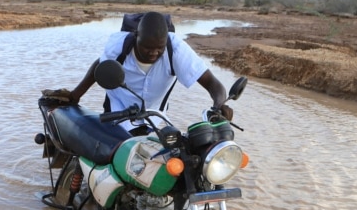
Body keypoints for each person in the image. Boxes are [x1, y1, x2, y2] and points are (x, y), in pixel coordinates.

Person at [68, 11, 233, 135]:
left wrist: (219, 105)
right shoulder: (118, 47)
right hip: (118, 112)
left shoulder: (175, 49)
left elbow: (212, 83)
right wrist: (76, 95)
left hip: (154, 117)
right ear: (136, 36)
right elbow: (99, 66)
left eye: (159, 48)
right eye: (147, 47)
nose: (153, 53)